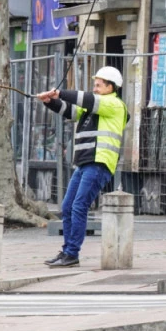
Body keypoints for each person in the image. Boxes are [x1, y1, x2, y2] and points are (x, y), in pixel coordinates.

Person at [38, 66, 128, 268]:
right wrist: (50, 101)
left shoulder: (113, 104)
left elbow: (85, 99)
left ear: (110, 87)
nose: (94, 88)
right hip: (85, 163)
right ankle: (67, 252)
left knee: (79, 206)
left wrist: (58, 92)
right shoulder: (92, 108)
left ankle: (72, 253)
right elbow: (71, 110)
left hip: (99, 163)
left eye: (98, 85)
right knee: (68, 206)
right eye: (94, 85)